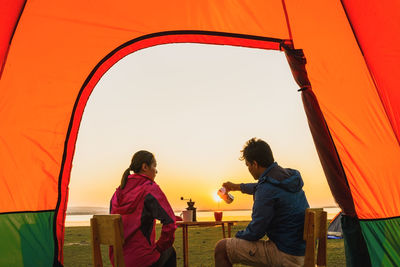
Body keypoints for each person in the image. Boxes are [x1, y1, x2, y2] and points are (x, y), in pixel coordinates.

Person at [214, 138, 309, 267]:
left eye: (248, 165)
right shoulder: (288, 177)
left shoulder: (266, 189)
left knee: (222, 248)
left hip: (286, 254)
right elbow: (261, 187)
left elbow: (256, 231)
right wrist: (237, 187)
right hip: (304, 251)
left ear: (255, 164)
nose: (249, 169)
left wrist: (237, 236)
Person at [110, 150, 177, 267]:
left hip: (117, 260)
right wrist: (159, 247)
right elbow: (170, 223)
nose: (156, 171)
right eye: (154, 166)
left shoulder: (117, 193)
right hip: (142, 260)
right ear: (145, 167)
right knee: (170, 251)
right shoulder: (149, 189)